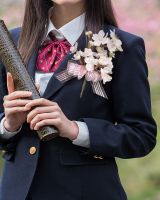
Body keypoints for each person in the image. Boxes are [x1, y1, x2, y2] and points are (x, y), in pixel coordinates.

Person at [0, 0, 157, 200]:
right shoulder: (10, 42)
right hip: (18, 192)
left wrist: (76, 130)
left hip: (86, 192)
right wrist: (8, 125)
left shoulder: (122, 46)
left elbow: (141, 136)